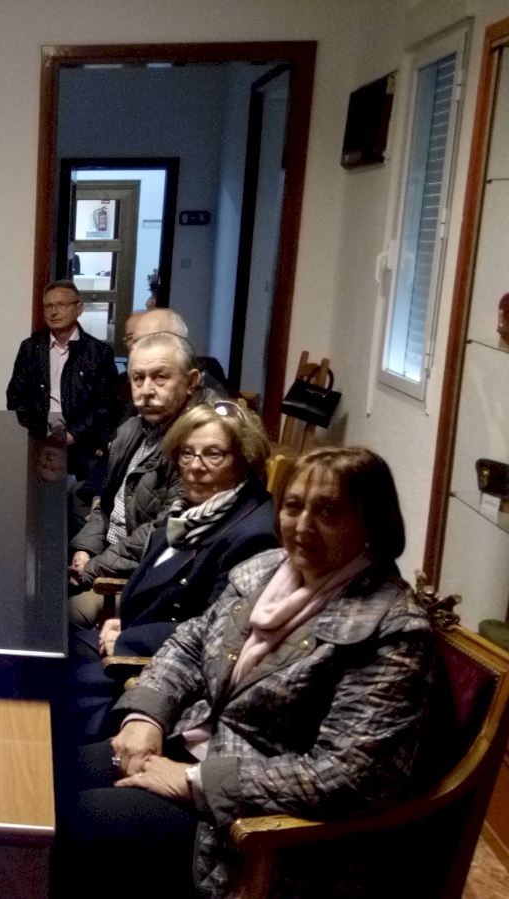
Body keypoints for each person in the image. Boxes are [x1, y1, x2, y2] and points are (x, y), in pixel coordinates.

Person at [61, 446, 434, 898]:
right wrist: (147, 715)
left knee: (74, 823)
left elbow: (349, 776)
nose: (303, 525)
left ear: (372, 522)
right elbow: (189, 643)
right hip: (188, 742)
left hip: (254, 827)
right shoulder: (265, 570)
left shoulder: (393, 628)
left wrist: (195, 782)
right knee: (51, 777)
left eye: (328, 511)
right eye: (293, 506)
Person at [67, 401, 279, 739]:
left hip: (153, 671)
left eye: (213, 455)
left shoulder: (253, 534)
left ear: (244, 460)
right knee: (38, 658)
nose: (195, 467)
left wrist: (129, 638)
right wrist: (123, 621)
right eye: (186, 454)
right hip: (129, 635)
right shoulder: (192, 511)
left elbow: (219, 632)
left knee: (41, 695)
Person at [68, 332, 208, 621]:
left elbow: (164, 535)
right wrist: (85, 548)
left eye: (160, 377)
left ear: (191, 381)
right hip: (108, 555)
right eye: (138, 378)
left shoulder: (198, 447)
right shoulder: (133, 428)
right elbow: (106, 503)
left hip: (147, 578)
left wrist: (93, 567)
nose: (146, 390)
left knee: (58, 617)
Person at [7, 279, 120, 479]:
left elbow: (106, 405)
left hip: (83, 443)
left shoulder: (99, 352)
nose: (54, 312)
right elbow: (16, 398)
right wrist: (41, 431)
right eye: (48, 306)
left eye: (61, 305)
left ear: (79, 308)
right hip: (38, 439)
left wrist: (73, 433)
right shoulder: (30, 348)